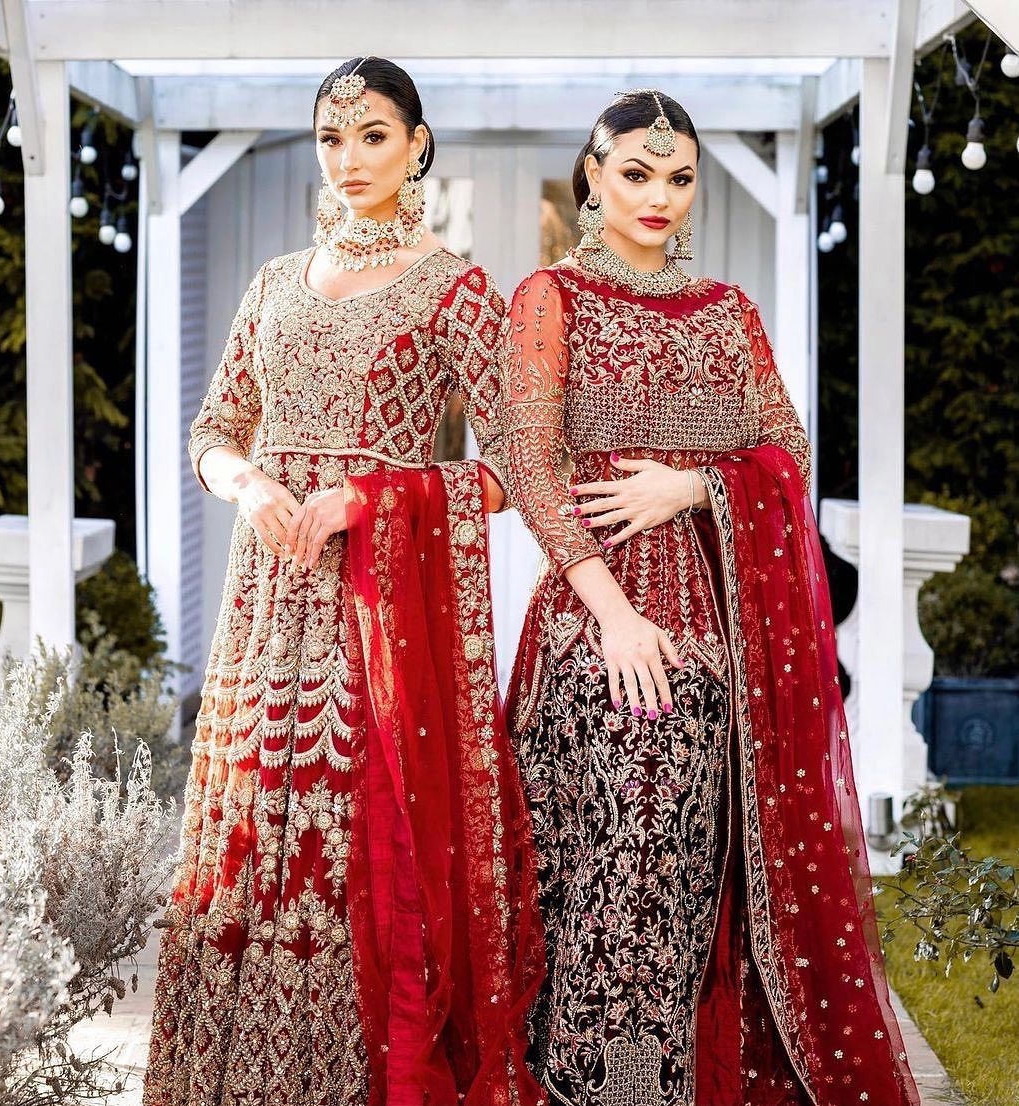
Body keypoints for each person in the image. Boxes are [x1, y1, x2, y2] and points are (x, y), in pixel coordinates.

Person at [502, 88, 921, 1106]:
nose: (659, 196)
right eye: (636, 173)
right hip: (591, 624)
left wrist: (691, 485)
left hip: (710, 634)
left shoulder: (726, 314)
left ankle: (647, 1085)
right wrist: (614, 617)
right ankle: (587, 1082)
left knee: (676, 880)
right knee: (592, 874)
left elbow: (786, 451)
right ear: (592, 175)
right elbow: (529, 465)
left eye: (680, 178)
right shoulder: (549, 300)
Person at [144, 56, 544, 1106]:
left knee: (358, 844)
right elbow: (212, 430)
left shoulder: (453, 289)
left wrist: (375, 497)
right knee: (249, 832)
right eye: (332, 137)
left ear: (417, 145)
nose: (350, 158)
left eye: (373, 136)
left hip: (379, 619)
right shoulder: (274, 282)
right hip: (264, 607)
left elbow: (516, 469)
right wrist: (245, 482)